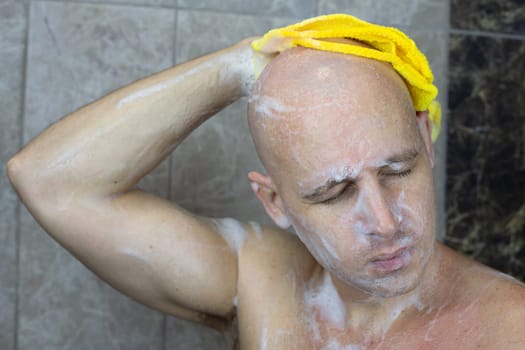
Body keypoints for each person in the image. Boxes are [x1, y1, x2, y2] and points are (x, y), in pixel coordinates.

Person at [7, 14, 525, 349]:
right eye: (335, 193)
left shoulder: (511, 328)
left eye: (397, 171)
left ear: (426, 142)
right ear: (274, 201)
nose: (386, 223)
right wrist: (239, 66)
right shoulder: (258, 282)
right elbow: (50, 182)